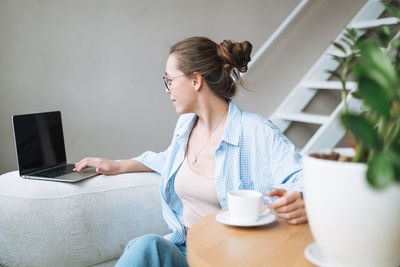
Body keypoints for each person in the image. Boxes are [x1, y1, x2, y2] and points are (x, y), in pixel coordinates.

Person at [74, 36, 307, 267]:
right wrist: (120, 165)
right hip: (185, 251)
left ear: (195, 81)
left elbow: (302, 176)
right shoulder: (186, 125)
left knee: (145, 246)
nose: (167, 90)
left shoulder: (256, 131)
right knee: (147, 246)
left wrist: (297, 196)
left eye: (170, 80)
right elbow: (170, 159)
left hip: (228, 258)